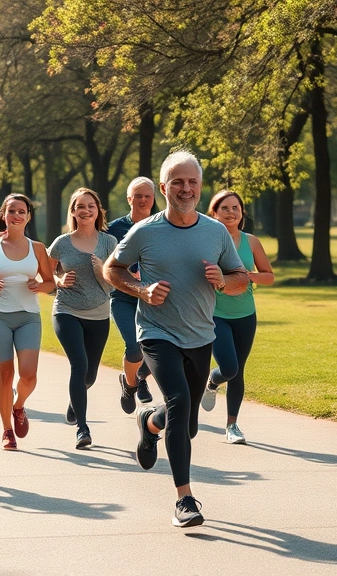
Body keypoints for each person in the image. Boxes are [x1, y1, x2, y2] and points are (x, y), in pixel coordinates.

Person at [104, 150, 248, 528]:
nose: (186, 189)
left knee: (185, 421)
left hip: (200, 335)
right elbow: (112, 269)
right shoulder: (145, 231)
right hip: (156, 332)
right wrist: (141, 290)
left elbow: (240, 279)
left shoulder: (215, 231)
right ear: (164, 187)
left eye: (192, 182)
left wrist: (224, 280)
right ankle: (185, 500)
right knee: (180, 402)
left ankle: (150, 423)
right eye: (178, 182)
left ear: (200, 186)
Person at [199, 190, 275, 445]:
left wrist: (245, 276)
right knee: (229, 368)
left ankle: (232, 426)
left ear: (242, 213)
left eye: (236, 208)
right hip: (215, 314)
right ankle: (213, 380)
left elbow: (269, 276)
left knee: (238, 371)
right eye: (225, 208)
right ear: (214, 213)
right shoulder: (206, 240)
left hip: (245, 314)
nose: (231, 213)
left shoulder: (251, 242)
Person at [0, 194, 55, 450]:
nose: (16, 215)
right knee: (6, 374)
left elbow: (50, 283)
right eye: (11, 211)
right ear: (4, 215)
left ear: (28, 217)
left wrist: (39, 285)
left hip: (28, 317)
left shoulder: (38, 249)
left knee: (29, 376)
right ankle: (7, 430)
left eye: (21, 211)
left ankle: (19, 405)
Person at [48, 188, 118, 450]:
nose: (86, 210)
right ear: (73, 212)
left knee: (89, 376)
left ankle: (74, 400)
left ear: (98, 210)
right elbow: (46, 274)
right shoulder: (61, 243)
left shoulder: (109, 242)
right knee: (79, 365)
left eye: (91, 206)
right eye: (80, 206)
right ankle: (82, 428)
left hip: (99, 313)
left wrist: (102, 270)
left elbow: (116, 282)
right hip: (67, 310)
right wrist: (59, 280)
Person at [107, 177, 156, 414]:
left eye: (147, 196)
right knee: (135, 347)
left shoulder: (162, 226)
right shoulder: (113, 229)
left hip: (154, 298)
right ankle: (130, 386)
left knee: (159, 348)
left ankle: (138, 378)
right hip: (123, 297)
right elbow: (97, 251)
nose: (143, 200)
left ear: (154, 199)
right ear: (129, 199)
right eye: (138, 195)